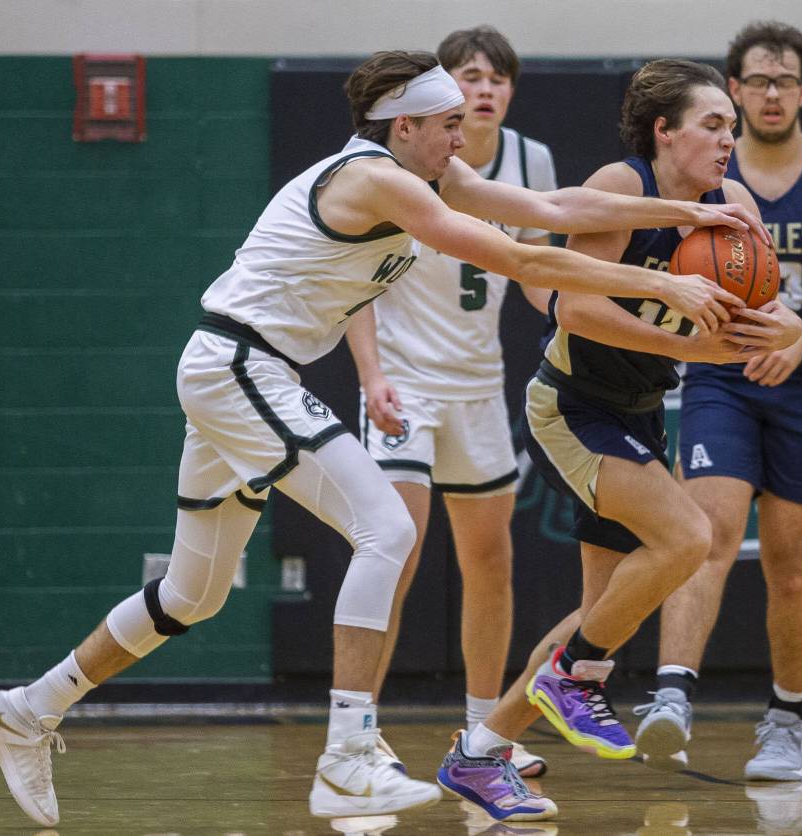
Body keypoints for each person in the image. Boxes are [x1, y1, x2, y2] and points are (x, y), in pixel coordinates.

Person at [0, 50, 770, 828]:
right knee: (386, 526)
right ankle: (347, 754)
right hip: (240, 366)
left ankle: (27, 709)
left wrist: (691, 213)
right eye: (449, 123)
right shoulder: (377, 181)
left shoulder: (428, 171)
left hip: (245, 373)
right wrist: (660, 279)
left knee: (192, 594)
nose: (463, 137)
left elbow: (555, 209)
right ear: (406, 125)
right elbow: (516, 253)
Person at [436, 59, 802, 822]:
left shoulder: (734, 204)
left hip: (638, 408)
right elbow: (574, 310)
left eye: (731, 128)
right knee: (689, 540)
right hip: (573, 403)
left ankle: (478, 751)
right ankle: (571, 681)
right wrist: (695, 348)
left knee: (600, 614)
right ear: (664, 132)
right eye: (712, 125)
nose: (728, 139)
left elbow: (775, 304)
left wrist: (786, 330)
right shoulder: (625, 185)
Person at [633, 22, 802, 781]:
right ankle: (672, 695)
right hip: (721, 375)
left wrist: (801, 336)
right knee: (705, 530)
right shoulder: (708, 172)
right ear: (735, 91)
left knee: (791, 564)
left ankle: (790, 719)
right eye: (757, 81)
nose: (771, 93)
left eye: (785, 80)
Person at [345, 26, 554, 779]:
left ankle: (484, 734)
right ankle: (358, 732)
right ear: (441, 90)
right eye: (472, 75)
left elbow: (537, 276)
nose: (487, 88)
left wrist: (581, 315)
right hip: (404, 380)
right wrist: (370, 377)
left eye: (500, 77)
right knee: (393, 551)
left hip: (479, 385)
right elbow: (356, 282)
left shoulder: (530, 162)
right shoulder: (399, 162)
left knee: (490, 562)